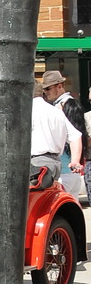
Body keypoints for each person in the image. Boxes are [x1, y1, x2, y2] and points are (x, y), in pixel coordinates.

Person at [41, 70, 91, 201]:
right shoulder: (63, 104)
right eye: (44, 89)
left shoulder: (67, 105)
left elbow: (74, 135)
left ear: (59, 86)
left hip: (66, 169)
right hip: (68, 168)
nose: (46, 92)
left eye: (48, 88)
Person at [31, 81, 82, 188]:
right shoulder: (56, 112)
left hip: (37, 165)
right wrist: (74, 162)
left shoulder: (29, 111)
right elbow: (75, 136)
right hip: (55, 164)